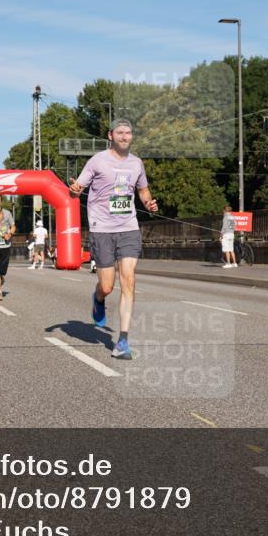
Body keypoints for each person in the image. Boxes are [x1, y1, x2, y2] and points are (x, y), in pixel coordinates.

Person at [69, 118, 157, 360]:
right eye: (120, 133)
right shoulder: (97, 160)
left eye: (128, 133)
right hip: (102, 228)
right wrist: (74, 189)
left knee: (128, 280)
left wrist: (148, 202)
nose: (125, 137)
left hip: (128, 227)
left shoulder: (137, 163)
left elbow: (142, 189)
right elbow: (77, 187)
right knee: (107, 286)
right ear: (111, 135)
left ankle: (123, 341)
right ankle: (98, 299)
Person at [0, 195, 15, 300]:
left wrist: (9, 234)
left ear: (1, 202)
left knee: (2, 271)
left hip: (5, 245)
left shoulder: (7, 213)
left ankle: (1, 278)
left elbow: (13, 226)